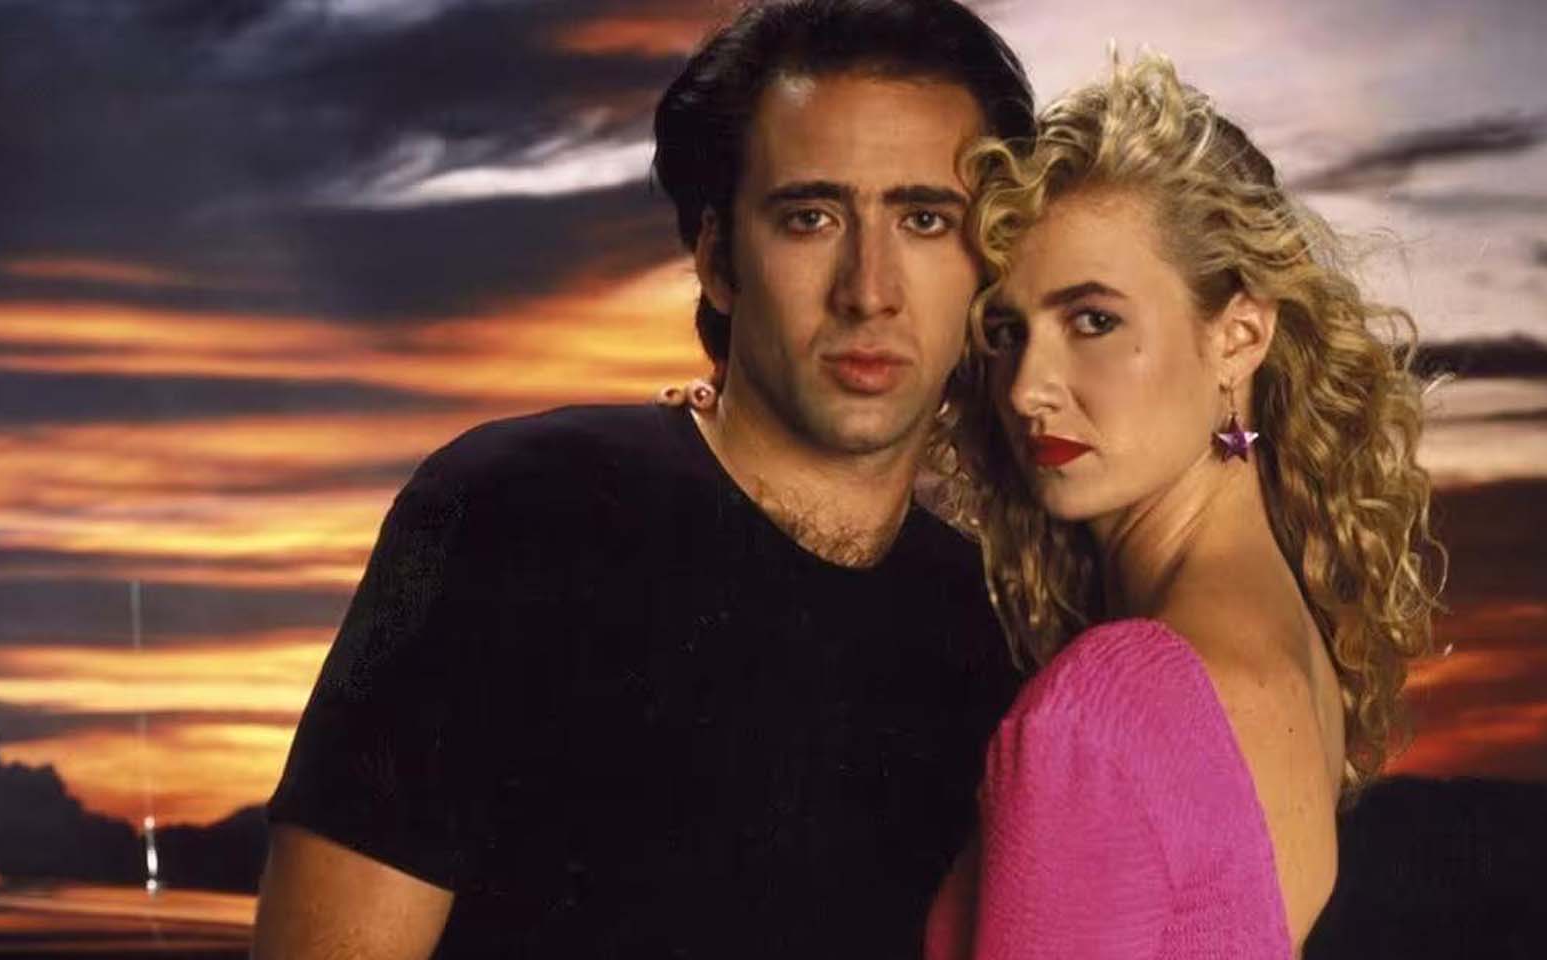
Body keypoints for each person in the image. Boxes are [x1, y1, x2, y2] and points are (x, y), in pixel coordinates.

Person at [250, 2, 1036, 957]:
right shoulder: (510, 512)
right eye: (810, 217)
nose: (869, 290)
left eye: (924, 220)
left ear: (989, 265)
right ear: (718, 260)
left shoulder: (993, 633)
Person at [920, 54, 1446, 958]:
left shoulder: (1097, 719)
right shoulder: (1297, 646)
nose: (1028, 387)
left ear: (1238, 337)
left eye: (1094, 320)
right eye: (1007, 332)